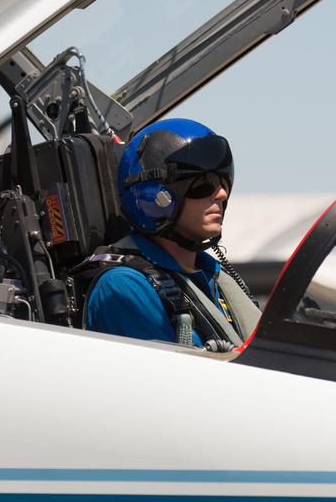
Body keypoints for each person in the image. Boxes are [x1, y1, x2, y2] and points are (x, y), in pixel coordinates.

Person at [81, 118, 261, 350]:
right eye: (204, 184)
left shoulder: (213, 276)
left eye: (223, 181)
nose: (222, 194)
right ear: (157, 195)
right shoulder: (123, 288)